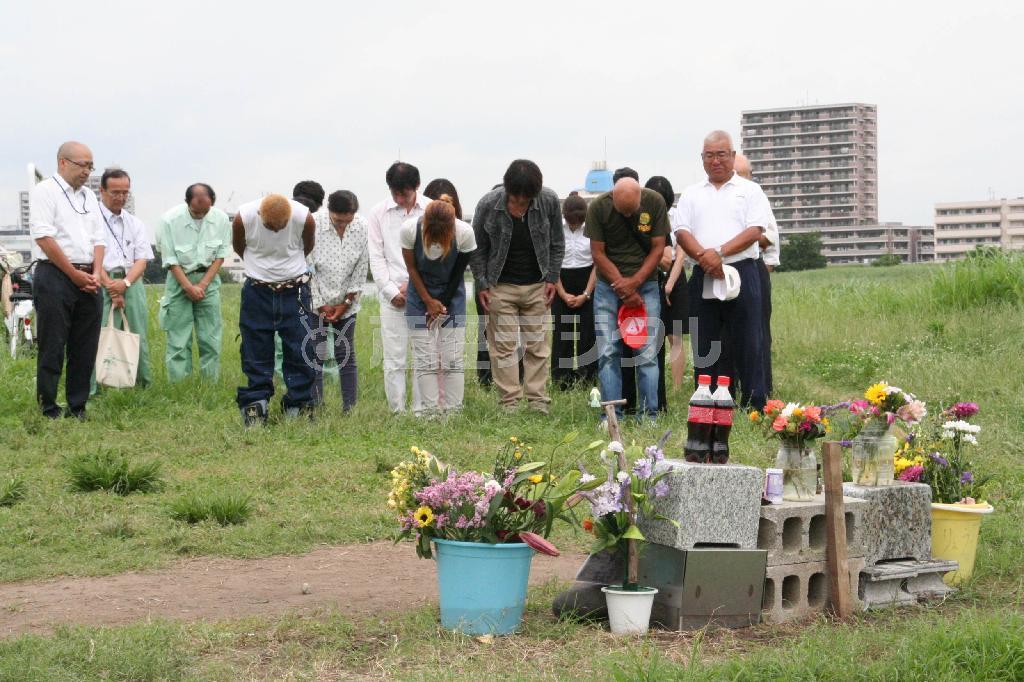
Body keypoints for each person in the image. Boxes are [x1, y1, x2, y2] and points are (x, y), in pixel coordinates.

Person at [674, 131, 772, 411]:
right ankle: (708, 403)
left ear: (732, 155)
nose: (715, 161)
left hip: (741, 271)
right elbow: (682, 232)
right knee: (705, 342)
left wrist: (719, 253)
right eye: (710, 155)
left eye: (721, 154)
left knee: (749, 340)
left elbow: (755, 230)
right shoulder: (692, 193)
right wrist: (705, 258)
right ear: (702, 158)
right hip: (703, 271)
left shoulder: (750, 190)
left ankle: (753, 405)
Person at [471, 159, 564, 414]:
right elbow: (477, 249)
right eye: (516, 198)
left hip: (538, 285)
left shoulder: (549, 201)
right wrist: (482, 283)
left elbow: (557, 243)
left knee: (538, 346)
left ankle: (537, 401)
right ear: (507, 188)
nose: (521, 202)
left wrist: (552, 278)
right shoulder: (488, 204)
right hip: (500, 286)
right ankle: (509, 402)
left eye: (526, 198)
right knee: (503, 347)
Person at [29, 141, 105, 419]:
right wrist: (74, 275)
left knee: (85, 345)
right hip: (55, 275)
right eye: (82, 165)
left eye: (90, 166)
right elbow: (44, 237)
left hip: (89, 275)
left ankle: (77, 406)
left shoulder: (89, 196)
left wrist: (95, 273)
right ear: (63, 162)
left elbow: (99, 239)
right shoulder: (45, 191)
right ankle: (48, 407)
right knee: (52, 344)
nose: (87, 171)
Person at [587, 177, 668, 422]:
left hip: (646, 285)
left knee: (647, 353)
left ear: (640, 197)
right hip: (608, 286)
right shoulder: (598, 207)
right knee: (608, 352)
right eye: (622, 211)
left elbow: (658, 248)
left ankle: (649, 416)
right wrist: (622, 286)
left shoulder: (655, 202)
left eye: (632, 210)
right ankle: (611, 416)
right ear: (613, 197)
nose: (628, 215)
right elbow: (597, 252)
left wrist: (634, 283)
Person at [233, 194, 317, 425]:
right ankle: (255, 405)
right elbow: (239, 247)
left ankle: (298, 405)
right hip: (257, 290)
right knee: (255, 349)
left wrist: (287, 269)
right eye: (271, 227)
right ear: (259, 215)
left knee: (300, 348)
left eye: (281, 227)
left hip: (295, 290)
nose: (277, 231)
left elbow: (307, 247)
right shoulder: (243, 217)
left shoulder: (304, 217)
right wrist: (260, 269)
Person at [401, 194, 476, 416]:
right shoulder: (409, 230)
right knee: (425, 359)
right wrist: (428, 301)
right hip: (418, 295)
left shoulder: (464, 233)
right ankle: (430, 413)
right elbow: (412, 269)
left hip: (451, 295)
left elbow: (458, 274)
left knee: (452, 358)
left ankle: (453, 413)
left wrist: (440, 305)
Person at [367, 162, 431, 414]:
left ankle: (420, 410)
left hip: (423, 294)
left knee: (423, 355)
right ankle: (397, 410)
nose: (399, 199)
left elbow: (436, 253)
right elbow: (376, 256)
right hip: (392, 295)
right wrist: (391, 291)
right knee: (394, 357)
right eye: (395, 193)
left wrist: (415, 287)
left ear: (416, 186)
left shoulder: (431, 210)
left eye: (404, 193)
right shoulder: (378, 213)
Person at [156, 183, 231, 382]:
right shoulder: (169, 220)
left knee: (210, 337)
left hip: (208, 280)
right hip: (179, 279)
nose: (201, 215)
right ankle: (179, 384)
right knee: (178, 337)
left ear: (212, 202)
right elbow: (170, 259)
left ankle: (210, 383)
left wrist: (203, 285)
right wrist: (188, 287)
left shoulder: (221, 219)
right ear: (187, 202)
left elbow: (220, 256)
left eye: (205, 211)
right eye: (196, 212)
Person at [92, 168, 154, 392]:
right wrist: (110, 286)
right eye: (115, 192)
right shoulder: (91, 219)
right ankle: (94, 389)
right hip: (101, 280)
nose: (120, 197)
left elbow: (142, 259)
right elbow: (91, 256)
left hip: (131, 282)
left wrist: (125, 284)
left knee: (136, 333)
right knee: (97, 334)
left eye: (125, 192)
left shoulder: (134, 223)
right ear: (102, 191)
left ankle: (141, 385)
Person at [307, 190, 367, 413]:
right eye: (338, 220)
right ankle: (316, 407)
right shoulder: (312, 224)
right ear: (329, 211)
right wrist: (320, 304)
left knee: (346, 354)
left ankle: (349, 409)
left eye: (347, 221)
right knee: (317, 354)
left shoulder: (362, 226)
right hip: (316, 303)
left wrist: (346, 302)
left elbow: (361, 267)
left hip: (347, 303)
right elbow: (307, 267)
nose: (342, 225)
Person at [734, 153, 779, 397]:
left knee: (758, 332)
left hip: (752, 267)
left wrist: (746, 238)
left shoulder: (755, 195)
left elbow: (769, 237)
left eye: (743, 175)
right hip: (723, 269)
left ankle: (761, 390)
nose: (739, 179)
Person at [645, 175, 688, 391]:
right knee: (652, 335)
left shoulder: (677, 216)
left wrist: (670, 283)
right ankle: (654, 382)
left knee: (675, 335)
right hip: (650, 275)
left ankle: (677, 387)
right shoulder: (643, 218)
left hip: (675, 277)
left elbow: (680, 254)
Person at [551, 192, 596, 390]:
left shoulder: (592, 228)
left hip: (588, 281)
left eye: (578, 222)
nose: (575, 225)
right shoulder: (556, 229)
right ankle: (562, 380)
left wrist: (586, 294)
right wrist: (562, 293)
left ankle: (588, 379)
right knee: (562, 334)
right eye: (571, 222)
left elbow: (598, 263)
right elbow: (551, 262)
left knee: (588, 334)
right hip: (561, 280)